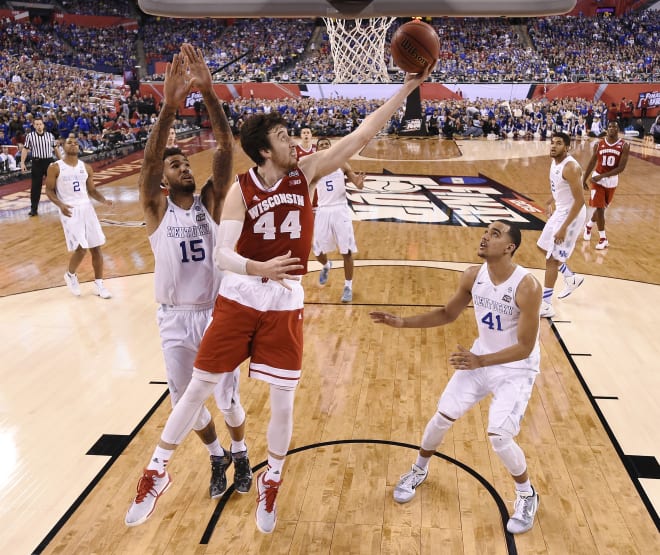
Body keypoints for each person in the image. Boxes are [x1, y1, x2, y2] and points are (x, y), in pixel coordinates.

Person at [124, 59, 434, 534]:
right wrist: (259, 266)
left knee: (283, 398)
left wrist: (406, 89)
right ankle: (157, 471)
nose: (295, 142)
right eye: (285, 137)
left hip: (285, 299)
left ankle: (272, 477)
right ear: (265, 151)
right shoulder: (241, 192)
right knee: (197, 387)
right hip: (241, 292)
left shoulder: (305, 174)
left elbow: (362, 135)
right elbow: (223, 256)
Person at [125, 45, 251, 527]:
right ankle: (218, 455)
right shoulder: (156, 210)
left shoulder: (212, 203)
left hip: (215, 313)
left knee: (229, 400)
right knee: (186, 403)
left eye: (184, 164)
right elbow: (150, 159)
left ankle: (240, 451)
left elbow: (223, 148)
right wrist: (169, 107)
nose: (182, 167)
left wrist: (211, 95)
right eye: (175, 166)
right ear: (163, 181)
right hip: (173, 317)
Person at [370, 219, 542, 535]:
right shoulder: (472, 276)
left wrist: (480, 360)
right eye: (486, 230)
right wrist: (403, 322)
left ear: (509, 247)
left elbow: (525, 347)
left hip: (515, 369)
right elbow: (448, 313)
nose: (485, 236)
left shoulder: (526, 286)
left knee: (500, 436)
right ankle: (418, 470)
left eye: (495, 233)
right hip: (480, 359)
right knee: (442, 415)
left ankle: (527, 494)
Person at [44, 133, 113, 299]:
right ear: (63, 146)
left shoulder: (86, 167)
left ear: (79, 147)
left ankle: (99, 284)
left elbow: (92, 191)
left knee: (96, 247)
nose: (73, 144)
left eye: (75, 142)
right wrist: (60, 205)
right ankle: (70, 274)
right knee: (81, 248)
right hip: (69, 209)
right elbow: (49, 190)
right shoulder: (55, 167)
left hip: (87, 208)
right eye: (69, 142)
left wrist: (104, 200)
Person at [537, 132, 586, 318]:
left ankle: (547, 304)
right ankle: (570, 276)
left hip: (572, 214)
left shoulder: (570, 167)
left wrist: (564, 227)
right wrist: (550, 200)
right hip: (561, 210)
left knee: (551, 259)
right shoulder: (555, 161)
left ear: (567, 147)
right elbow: (559, 188)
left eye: (558, 143)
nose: (553, 146)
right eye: (552, 143)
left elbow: (580, 201)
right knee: (542, 246)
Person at [312, 137, 365, 303]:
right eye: (321, 145)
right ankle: (326, 265)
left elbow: (357, 182)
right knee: (317, 250)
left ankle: (348, 286)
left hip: (340, 209)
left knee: (346, 251)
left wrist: (359, 181)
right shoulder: (314, 167)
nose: (324, 147)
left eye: (327, 145)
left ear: (331, 147)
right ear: (317, 149)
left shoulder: (342, 163)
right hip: (323, 210)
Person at [582, 120, 630, 250]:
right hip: (597, 180)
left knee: (601, 208)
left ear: (618, 129)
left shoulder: (624, 145)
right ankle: (603, 238)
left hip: (611, 180)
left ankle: (589, 225)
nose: (612, 129)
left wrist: (602, 176)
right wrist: (584, 178)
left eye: (614, 127)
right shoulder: (599, 144)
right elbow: (592, 161)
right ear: (607, 129)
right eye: (609, 127)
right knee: (600, 208)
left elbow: (621, 168)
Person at [21, 117, 59, 217]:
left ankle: (61, 205)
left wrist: (61, 161)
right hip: (37, 162)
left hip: (49, 162)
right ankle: (34, 209)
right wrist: (22, 162)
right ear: (34, 126)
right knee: (35, 187)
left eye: (40, 124)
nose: (38, 126)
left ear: (43, 125)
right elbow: (25, 149)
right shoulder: (30, 136)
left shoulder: (50, 136)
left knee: (55, 185)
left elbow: (56, 149)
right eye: (36, 124)